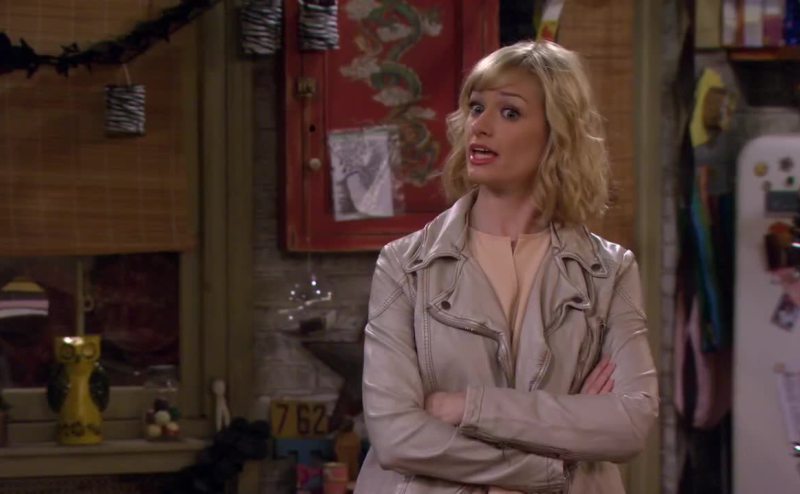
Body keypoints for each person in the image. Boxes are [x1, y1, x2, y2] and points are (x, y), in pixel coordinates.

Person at [355, 40, 659, 494]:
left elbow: (630, 423)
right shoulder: (406, 265)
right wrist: (554, 458)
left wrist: (467, 407)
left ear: (557, 132)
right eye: (476, 108)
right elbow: (397, 437)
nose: (479, 125)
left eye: (510, 112)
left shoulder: (607, 271)